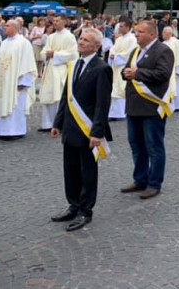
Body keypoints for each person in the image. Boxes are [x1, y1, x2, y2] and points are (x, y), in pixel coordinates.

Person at [50, 28, 113, 231]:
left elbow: (102, 104)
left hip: (88, 130)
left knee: (87, 172)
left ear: (96, 46)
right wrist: (57, 123)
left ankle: (86, 210)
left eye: (86, 40)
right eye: (81, 38)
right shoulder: (74, 64)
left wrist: (97, 132)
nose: (81, 42)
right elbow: (65, 97)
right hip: (70, 127)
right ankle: (73, 204)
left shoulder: (102, 68)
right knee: (70, 169)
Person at [120, 20, 174, 199]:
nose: (137, 35)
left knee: (154, 146)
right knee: (136, 145)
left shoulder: (163, 51)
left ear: (152, 34)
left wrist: (137, 74)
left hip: (151, 106)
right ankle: (140, 179)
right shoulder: (136, 51)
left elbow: (163, 74)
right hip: (134, 106)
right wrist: (125, 73)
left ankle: (154, 183)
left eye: (140, 32)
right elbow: (127, 70)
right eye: (136, 32)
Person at [0, 20, 38, 140]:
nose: (5, 28)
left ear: (15, 27)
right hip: (3, 80)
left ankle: (15, 131)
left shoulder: (23, 43)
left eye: (7, 26)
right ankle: (1, 131)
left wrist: (23, 81)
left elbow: (27, 62)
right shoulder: (4, 43)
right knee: (1, 103)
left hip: (16, 81)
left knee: (15, 106)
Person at [38, 16, 79, 132]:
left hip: (61, 69)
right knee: (48, 95)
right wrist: (47, 54)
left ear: (65, 22)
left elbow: (73, 54)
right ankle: (47, 123)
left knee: (58, 96)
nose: (55, 23)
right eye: (54, 21)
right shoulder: (51, 37)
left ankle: (59, 123)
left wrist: (55, 55)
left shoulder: (70, 36)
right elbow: (44, 51)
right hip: (50, 69)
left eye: (57, 21)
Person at [108, 17, 137, 120]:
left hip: (124, 67)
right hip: (116, 67)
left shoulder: (132, 39)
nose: (119, 28)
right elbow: (113, 48)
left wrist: (116, 56)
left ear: (128, 27)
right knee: (115, 89)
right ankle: (114, 113)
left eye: (122, 26)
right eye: (119, 26)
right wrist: (112, 54)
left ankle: (122, 112)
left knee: (122, 89)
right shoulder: (119, 39)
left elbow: (130, 53)